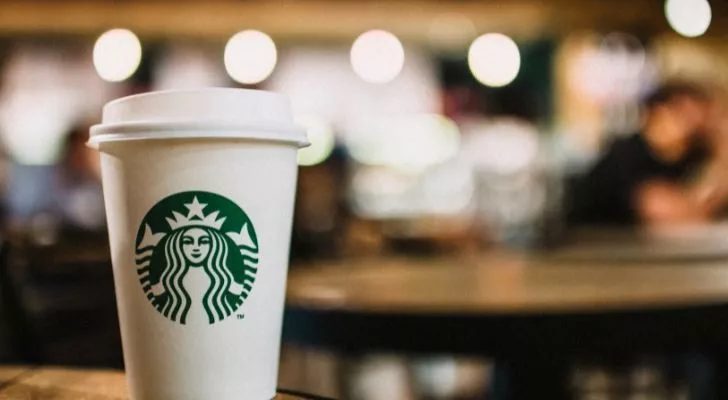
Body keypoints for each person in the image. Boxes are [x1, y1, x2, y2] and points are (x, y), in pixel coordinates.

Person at [569, 81, 727, 226]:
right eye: (683, 112)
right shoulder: (627, 156)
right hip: (595, 250)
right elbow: (672, 213)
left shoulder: (694, 157)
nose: (693, 122)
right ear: (657, 112)